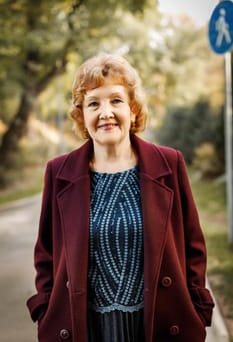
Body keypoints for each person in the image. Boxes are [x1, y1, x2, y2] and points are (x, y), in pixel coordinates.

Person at [26, 53, 215, 342]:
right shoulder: (58, 172)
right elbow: (46, 254)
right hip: (86, 327)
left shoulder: (169, 164)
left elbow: (193, 246)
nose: (105, 112)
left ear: (134, 109)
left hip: (158, 323)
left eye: (116, 100)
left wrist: (198, 308)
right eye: (93, 103)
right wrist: (46, 309)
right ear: (82, 116)